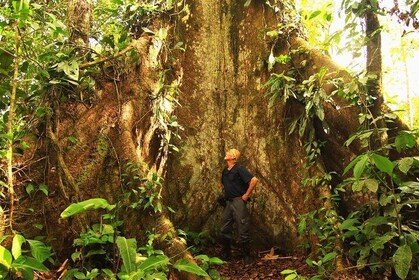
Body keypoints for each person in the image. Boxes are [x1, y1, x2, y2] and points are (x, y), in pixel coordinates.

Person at [219, 148, 258, 263]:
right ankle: (226, 252)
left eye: (229, 153)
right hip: (229, 202)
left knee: (243, 226)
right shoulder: (225, 171)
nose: (226, 153)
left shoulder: (239, 169)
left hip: (238, 201)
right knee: (224, 227)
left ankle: (246, 255)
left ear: (234, 157)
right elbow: (223, 184)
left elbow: (254, 180)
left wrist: (246, 195)